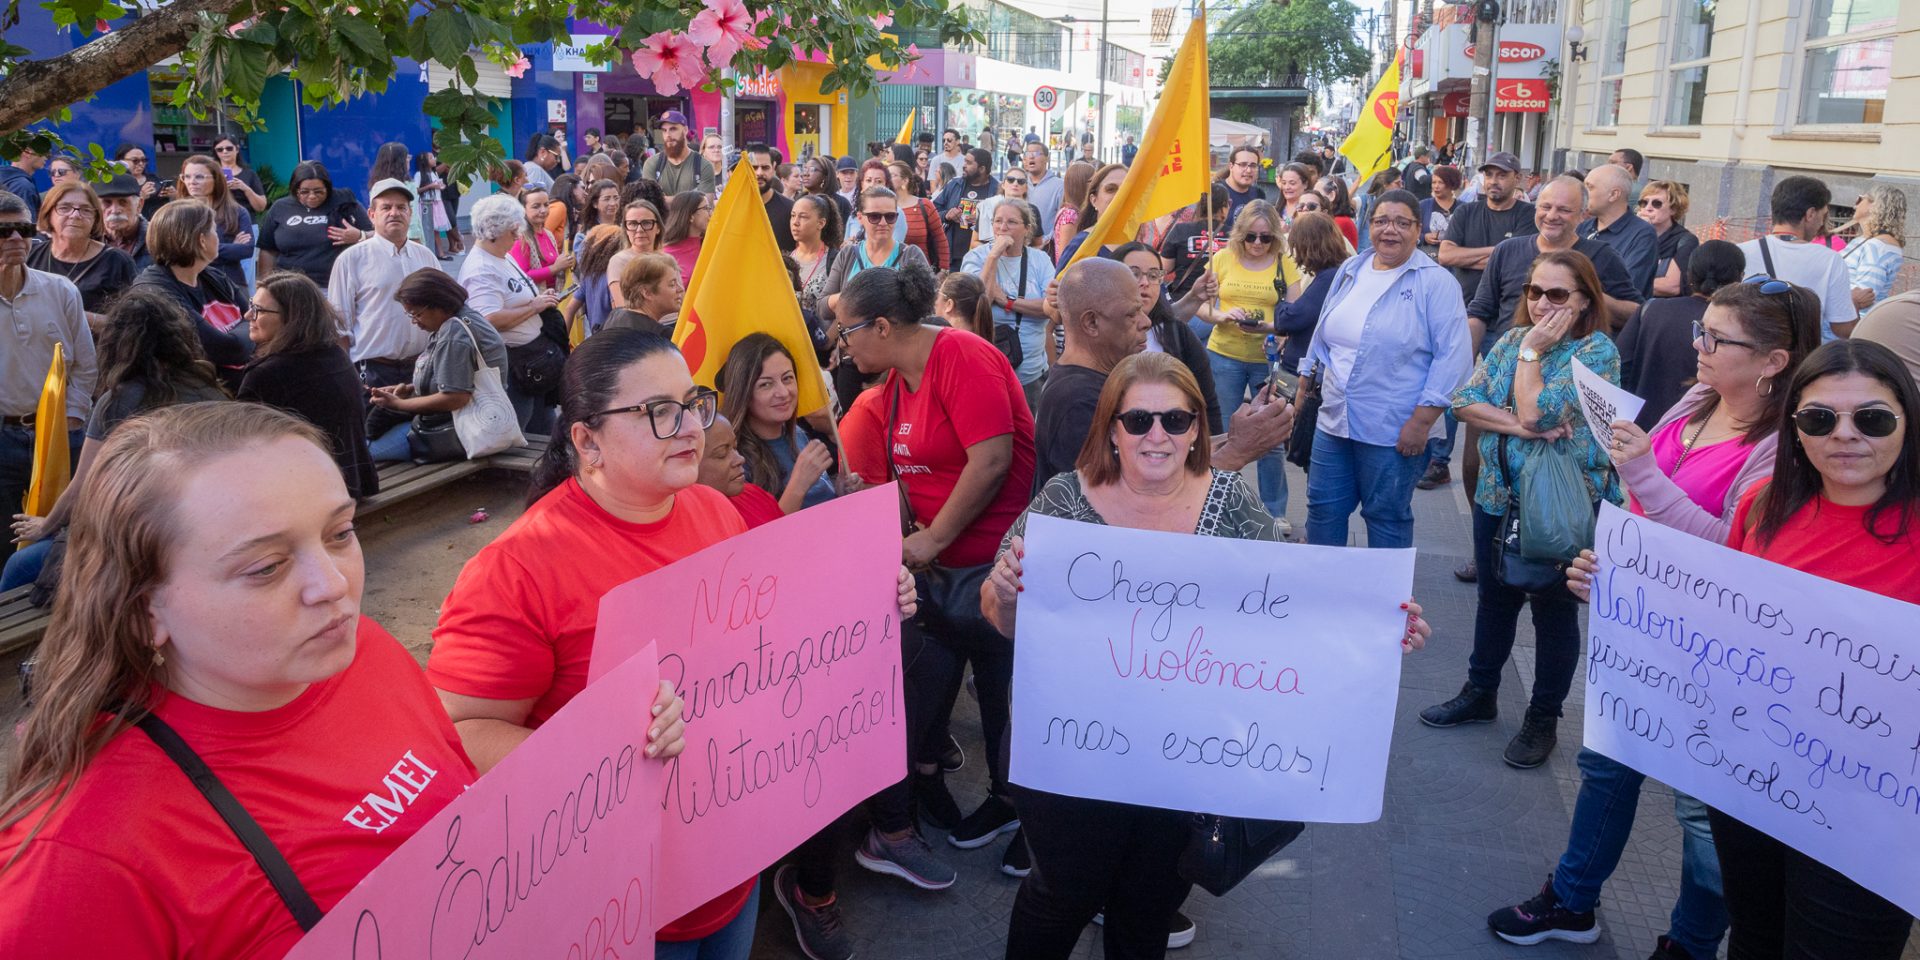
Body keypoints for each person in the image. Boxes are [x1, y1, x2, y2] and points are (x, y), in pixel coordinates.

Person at [0, 401, 689, 956]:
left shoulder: (364, 651)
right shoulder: (79, 862)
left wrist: (608, 742)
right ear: (144, 608)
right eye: (265, 567)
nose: (332, 587)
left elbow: (467, 821)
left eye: (338, 533)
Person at [426, 329, 912, 959]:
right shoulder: (517, 569)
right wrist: (609, 744)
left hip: (729, 869)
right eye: (659, 412)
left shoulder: (713, 509)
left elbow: (767, 638)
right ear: (587, 440)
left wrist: (866, 603)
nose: (690, 427)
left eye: (691, 402)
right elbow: (460, 732)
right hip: (617, 900)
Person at [983, 351, 1429, 959]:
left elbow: (1290, 609)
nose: (1157, 435)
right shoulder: (1064, 502)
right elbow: (1001, 618)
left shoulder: (1229, 502)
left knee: (1147, 904)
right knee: (1062, 892)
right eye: (1138, 421)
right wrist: (1006, 595)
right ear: (1110, 428)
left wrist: (1377, 632)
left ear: (1197, 429)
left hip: (1183, 756)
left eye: (1176, 420)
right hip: (1071, 749)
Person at [1489, 275, 1821, 959]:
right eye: (1702, 329)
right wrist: (1606, 559)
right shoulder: (1699, 400)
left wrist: (1642, 475)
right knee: (1608, 766)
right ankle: (1572, 899)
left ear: (1772, 362)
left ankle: (1691, 944)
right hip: (1643, 629)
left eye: (1715, 337)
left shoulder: (1783, 446)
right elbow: (1644, 513)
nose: (1696, 345)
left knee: (1701, 812)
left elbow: (1735, 550)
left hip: (1718, 653)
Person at [1709, 337, 1920, 959]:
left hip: (1872, 814)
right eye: (1820, 419)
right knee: (1753, 938)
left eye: (1873, 418)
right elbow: (1721, 623)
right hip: (1754, 780)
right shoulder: (1761, 506)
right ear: (1796, 429)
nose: (1845, 435)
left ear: (1908, 422)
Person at [832, 258, 1038, 873]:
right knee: (948, 686)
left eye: (847, 331)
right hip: (948, 579)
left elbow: (992, 460)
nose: (841, 344)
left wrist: (931, 539)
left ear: (883, 327)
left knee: (1006, 698)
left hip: (997, 570)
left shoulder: (962, 356)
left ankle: (1020, 810)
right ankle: (955, 794)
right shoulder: (894, 385)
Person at [1425, 249, 1624, 769]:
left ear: (1583, 302)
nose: (1541, 304)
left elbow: (1540, 411)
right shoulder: (1511, 339)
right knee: (1494, 599)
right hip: (1496, 494)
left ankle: (1543, 718)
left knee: (1553, 612)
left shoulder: (1595, 352)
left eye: (1557, 294)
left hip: (1560, 507)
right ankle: (1481, 691)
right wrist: (1514, 424)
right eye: (1535, 291)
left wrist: (1532, 359)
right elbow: (1463, 401)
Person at [2, 291, 227, 590]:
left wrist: (45, 525)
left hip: (136, 535)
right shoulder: (209, 390)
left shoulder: (119, 401)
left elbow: (82, 486)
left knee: (18, 566)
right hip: (200, 524)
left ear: (118, 343)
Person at [1301, 191, 1471, 549]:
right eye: (1380, 221)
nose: (1389, 230)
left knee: (1385, 516)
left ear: (1418, 229)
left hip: (1393, 429)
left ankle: (1384, 602)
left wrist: (1421, 423)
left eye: (1401, 222)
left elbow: (1453, 360)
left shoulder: (1435, 282)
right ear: (1369, 226)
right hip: (1334, 419)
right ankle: (1319, 594)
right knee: (1322, 511)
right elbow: (1325, 336)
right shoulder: (1352, 269)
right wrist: (1304, 383)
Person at [1194, 198, 1298, 519]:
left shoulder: (1285, 262)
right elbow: (1200, 306)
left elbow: (1296, 314)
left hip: (1270, 360)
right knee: (1224, 435)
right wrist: (1222, 316)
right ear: (1239, 235)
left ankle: (1273, 511)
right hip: (1224, 354)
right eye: (1251, 236)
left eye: (1265, 238)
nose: (1257, 243)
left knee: (1271, 438)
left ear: (1275, 238)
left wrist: (1275, 329)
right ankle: (1222, 506)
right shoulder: (1222, 258)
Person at [237, 271, 378, 498]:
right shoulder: (335, 354)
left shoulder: (267, 374)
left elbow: (246, 449)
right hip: (354, 481)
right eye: (251, 305)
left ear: (292, 318)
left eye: (259, 310)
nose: (247, 315)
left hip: (309, 494)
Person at [0, 189, 95, 512]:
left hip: (59, 434)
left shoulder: (60, 290)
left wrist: (72, 416)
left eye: (23, 230)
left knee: (64, 536)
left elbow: (85, 363)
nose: (15, 237)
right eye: (3, 231)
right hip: (4, 439)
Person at [1470, 177, 1642, 349]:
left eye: (1564, 210)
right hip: (1508, 361)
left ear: (1583, 215)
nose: (1551, 216)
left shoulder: (1602, 256)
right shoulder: (1507, 250)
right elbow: (1480, 311)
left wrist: (1588, 294)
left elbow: (1635, 314)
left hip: (1571, 366)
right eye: (1545, 207)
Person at [326, 178, 439, 440]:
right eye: (386, 207)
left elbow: (444, 311)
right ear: (371, 214)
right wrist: (347, 378)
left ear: (410, 214)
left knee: (424, 438)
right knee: (373, 441)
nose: (394, 213)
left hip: (421, 366)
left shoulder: (426, 256)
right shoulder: (351, 260)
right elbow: (338, 327)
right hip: (374, 371)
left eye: (401, 207)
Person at [367, 268, 512, 462]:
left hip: (462, 430)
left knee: (364, 454)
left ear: (437, 304)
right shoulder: (459, 319)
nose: (414, 322)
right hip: (456, 423)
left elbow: (455, 397)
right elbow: (455, 379)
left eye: (416, 314)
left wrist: (400, 404)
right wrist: (409, 390)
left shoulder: (454, 334)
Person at [1619, 240, 1747, 430]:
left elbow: (1619, 368)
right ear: (1740, 278)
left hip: (1638, 431)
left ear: (1689, 275)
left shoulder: (1651, 309)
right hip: (1698, 437)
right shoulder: (1741, 328)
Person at [459, 193, 560, 430]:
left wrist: (538, 301)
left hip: (529, 361)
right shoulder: (481, 269)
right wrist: (534, 306)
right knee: (522, 429)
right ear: (492, 231)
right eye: (512, 230)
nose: (517, 236)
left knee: (543, 426)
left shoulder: (500, 256)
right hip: (512, 367)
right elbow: (489, 320)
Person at [129, 199, 253, 390]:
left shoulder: (213, 276)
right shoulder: (156, 291)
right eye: (214, 230)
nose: (218, 237)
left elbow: (256, 319)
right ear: (201, 240)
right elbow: (226, 348)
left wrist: (249, 330)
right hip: (193, 403)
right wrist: (248, 331)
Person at [1102, 243, 1224, 432]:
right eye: (1134, 273)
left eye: (1153, 275)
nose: (1145, 282)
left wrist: (1210, 454)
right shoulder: (1098, 337)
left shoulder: (1178, 335)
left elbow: (1206, 404)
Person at [718, 333, 836, 513]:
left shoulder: (798, 434)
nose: (783, 392)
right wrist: (799, 484)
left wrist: (841, 490)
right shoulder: (736, 461)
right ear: (743, 393)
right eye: (766, 385)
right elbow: (765, 538)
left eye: (787, 378)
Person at [1737, 175, 1858, 340]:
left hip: (1751, 351)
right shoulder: (1830, 260)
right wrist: (1855, 305)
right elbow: (1843, 329)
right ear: (1810, 214)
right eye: (1823, 216)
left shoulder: (1741, 252)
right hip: (1800, 359)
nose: (1821, 224)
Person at [962, 197, 1055, 407]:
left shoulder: (1040, 260)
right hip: (985, 369)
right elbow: (979, 303)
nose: (1003, 228)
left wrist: (1007, 301)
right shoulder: (976, 258)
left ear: (1027, 229)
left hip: (1029, 373)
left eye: (1011, 222)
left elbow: (1049, 307)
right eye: (997, 221)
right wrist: (993, 256)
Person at [28, 180, 136, 323]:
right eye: (65, 208)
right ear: (48, 214)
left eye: (85, 210)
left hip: (93, 344)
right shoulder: (30, 255)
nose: (75, 215)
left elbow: (131, 324)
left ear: (95, 218)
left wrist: (75, 315)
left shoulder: (117, 261)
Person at [256, 160, 372, 287]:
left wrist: (360, 235)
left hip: (332, 286)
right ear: (295, 189)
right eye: (304, 192)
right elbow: (268, 250)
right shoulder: (280, 207)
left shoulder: (344, 202)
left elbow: (379, 234)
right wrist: (265, 284)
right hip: (289, 287)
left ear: (328, 189)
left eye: (319, 191)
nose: (312, 196)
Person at [1265, 211, 1347, 378]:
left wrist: (1282, 304)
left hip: (1305, 372)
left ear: (1306, 246)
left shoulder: (1329, 278)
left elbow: (1289, 319)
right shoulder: (1337, 273)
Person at [176, 154, 254, 295]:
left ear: (216, 179)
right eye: (186, 177)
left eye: (199, 177)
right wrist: (230, 248)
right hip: (190, 285)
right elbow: (180, 250)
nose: (191, 182)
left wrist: (200, 248)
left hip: (231, 283)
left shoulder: (237, 211)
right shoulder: (177, 213)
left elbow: (246, 250)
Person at [1580, 164, 1660, 301]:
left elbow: (1627, 288)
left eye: (1590, 187)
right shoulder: (1583, 227)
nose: (1583, 193)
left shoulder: (1642, 234)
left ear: (1613, 194)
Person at [696, 412, 784, 527]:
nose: (740, 459)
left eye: (735, 447)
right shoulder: (693, 525)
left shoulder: (755, 496)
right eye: (722, 453)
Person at [1158, 184, 1230, 308]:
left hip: (1184, 303)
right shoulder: (1235, 235)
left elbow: (1164, 268)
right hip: (1221, 306)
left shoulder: (1181, 230)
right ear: (1224, 208)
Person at [1843, 183, 1906, 313]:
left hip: (1845, 326)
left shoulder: (1877, 248)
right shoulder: (1869, 241)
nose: (1855, 205)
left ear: (1874, 205)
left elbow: (1864, 298)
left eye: (1860, 199)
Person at [935, 148, 999, 270]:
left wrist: (982, 220)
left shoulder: (997, 190)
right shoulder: (954, 185)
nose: (964, 166)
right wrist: (947, 215)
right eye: (965, 162)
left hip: (983, 258)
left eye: (969, 163)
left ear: (982, 169)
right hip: (954, 258)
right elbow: (933, 212)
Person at [1054, 162, 1125, 266]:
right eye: (1110, 189)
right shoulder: (1080, 244)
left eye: (1126, 189)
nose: (1120, 195)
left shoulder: (1138, 240)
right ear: (1094, 199)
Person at [1636, 179, 1698, 298]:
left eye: (1656, 204)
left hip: (1660, 309)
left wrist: (1627, 284)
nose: (1648, 208)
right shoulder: (1633, 235)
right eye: (1644, 203)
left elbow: (1671, 286)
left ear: (1673, 209)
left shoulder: (1685, 240)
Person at [789, 193, 844, 327]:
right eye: (793, 215)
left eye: (803, 217)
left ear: (821, 223)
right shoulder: (786, 259)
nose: (795, 222)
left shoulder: (835, 260)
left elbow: (845, 306)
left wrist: (828, 342)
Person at [509, 187, 574, 292]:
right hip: (535, 301)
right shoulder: (521, 238)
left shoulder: (548, 234)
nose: (543, 210)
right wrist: (555, 268)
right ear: (523, 209)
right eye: (536, 206)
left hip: (555, 297)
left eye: (546, 205)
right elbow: (522, 276)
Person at [604, 252, 683, 336]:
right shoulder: (661, 339)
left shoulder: (615, 317)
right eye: (672, 284)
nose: (680, 289)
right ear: (647, 293)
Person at [890, 159, 950, 269]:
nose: (888, 178)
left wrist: (944, 270)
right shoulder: (884, 207)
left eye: (892, 175)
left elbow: (941, 240)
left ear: (905, 181)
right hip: (890, 272)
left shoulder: (925, 205)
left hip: (921, 274)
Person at [572, 223, 626, 336]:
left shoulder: (589, 276)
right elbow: (621, 312)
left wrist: (564, 343)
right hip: (614, 337)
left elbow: (570, 309)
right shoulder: (614, 278)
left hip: (595, 335)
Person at [642, 111, 715, 195]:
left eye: (673, 129)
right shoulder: (652, 164)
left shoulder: (703, 165)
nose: (668, 135)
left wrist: (662, 200)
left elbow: (706, 203)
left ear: (685, 130)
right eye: (664, 130)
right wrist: (692, 199)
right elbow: (649, 202)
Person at [746, 142, 796, 252]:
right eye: (754, 167)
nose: (759, 173)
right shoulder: (733, 209)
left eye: (765, 168)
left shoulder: (790, 209)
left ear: (773, 168)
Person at [96, 173, 152, 270]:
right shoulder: (86, 240)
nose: (115, 210)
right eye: (107, 202)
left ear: (139, 205)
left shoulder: (158, 238)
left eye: (123, 202)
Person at [660, 190, 713, 287]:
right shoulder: (667, 254)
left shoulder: (710, 246)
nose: (710, 214)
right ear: (690, 215)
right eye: (706, 209)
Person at [974, 163, 1029, 251]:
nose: (1015, 183)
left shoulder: (1031, 210)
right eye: (1011, 180)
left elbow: (1037, 243)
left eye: (1021, 181)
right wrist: (995, 252)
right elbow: (974, 242)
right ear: (1003, 184)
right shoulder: (987, 205)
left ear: (1026, 188)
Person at [210, 134, 268, 214]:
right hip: (219, 220)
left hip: (246, 220)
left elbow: (261, 207)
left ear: (237, 149)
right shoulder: (211, 174)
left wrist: (245, 188)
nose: (225, 151)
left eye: (229, 148)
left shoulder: (249, 174)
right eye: (220, 149)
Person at [1022, 142, 1065, 245]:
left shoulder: (1059, 186)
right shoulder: (1018, 182)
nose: (1031, 157)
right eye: (1028, 153)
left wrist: (1046, 241)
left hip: (1046, 246)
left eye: (1036, 153)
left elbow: (1062, 220)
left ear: (1047, 158)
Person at [1354, 167, 1403, 255]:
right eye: (1397, 183)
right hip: (1366, 252)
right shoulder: (1367, 201)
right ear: (1385, 184)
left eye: (1402, 183)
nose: (1401, 186)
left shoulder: (1401, 204)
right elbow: (1346, 202)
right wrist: (1356, 185)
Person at [1050, 162, 1093, 261]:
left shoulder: (1071, 211)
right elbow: (1065, 255)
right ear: (1080, 184)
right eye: (1092, 181)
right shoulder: (1070, 214)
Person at [1418, 166, 1461, 256]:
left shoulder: (1463, 208)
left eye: (1441, 182)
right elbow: (1411, 231)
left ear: (1451, 184)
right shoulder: (1423, 206)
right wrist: (1424, 237)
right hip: (1428, 257)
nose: (1436, 186)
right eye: (1434, 182)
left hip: (1455, 258)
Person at [937, 270, 992, 336]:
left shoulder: (940, 342)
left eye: (939, 294)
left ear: (949, 305)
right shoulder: (983, 341)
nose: (935, 301)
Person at [1219, 146, 1262, 227]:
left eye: (1253, 165)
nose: (1248, 170)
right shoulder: (1215, 191)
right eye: (1243, 164)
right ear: (1231, 166)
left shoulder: (1259, 194)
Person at [0, 145, 43, 216]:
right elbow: (24, 225)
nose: (47, 157)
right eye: (44, 151)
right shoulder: (23, 187)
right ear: (27, 152)